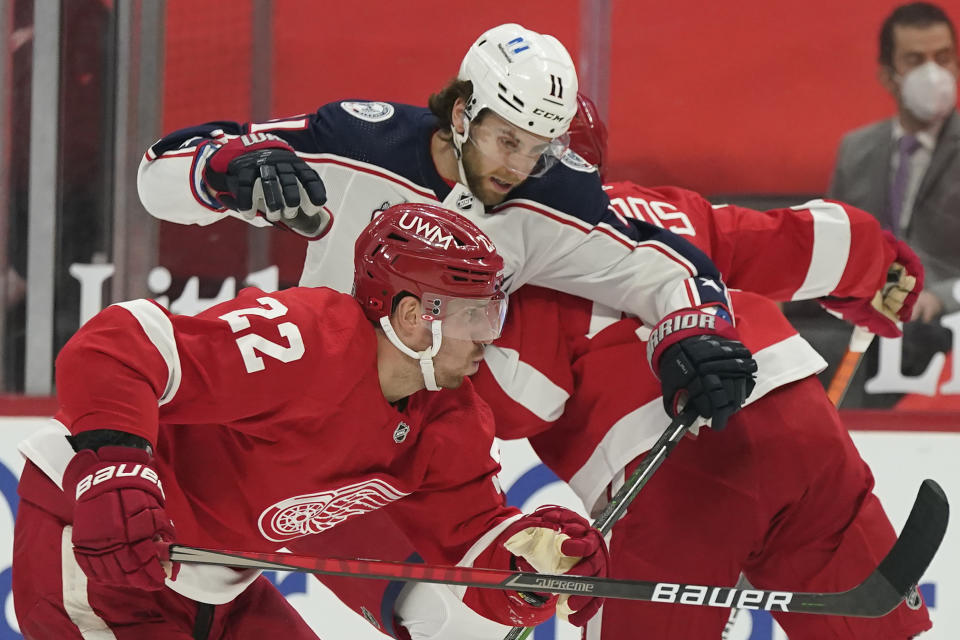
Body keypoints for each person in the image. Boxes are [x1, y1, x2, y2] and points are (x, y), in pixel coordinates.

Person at [288, 96, 930, 640]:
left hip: (672, 470)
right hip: (795, 410)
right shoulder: (655, 210)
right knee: (862, 609)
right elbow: (775, 238)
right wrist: (877, 268)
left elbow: (528, 400)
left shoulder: (497, 259)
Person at [10, 204, 610, 639]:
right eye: (474, 314)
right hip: (93, 552)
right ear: (410, 317)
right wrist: (113, 466)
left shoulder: (449, 417)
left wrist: (532, 565)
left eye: (493, 311)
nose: (490, 335)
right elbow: (118, 343)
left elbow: (471, 542)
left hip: (219, 586)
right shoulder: (304, 340)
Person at [137, 22, 758, 435]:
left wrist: (694, 333)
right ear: (462, 112)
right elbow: (156, 179)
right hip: (300, 409)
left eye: (539, 148)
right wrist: (222, 168)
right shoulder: (359, 144)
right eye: (506, 140)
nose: (518, 166)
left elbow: (667, 267)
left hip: (423, 445)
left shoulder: (552, 199)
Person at [829, 2, 959, 322]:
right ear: (888, 76)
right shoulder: (856, 150)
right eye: (915, 61)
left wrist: (940, 298)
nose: (934, 74)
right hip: (865, 315)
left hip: (943, 320)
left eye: (943, 59)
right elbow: (832, 252)